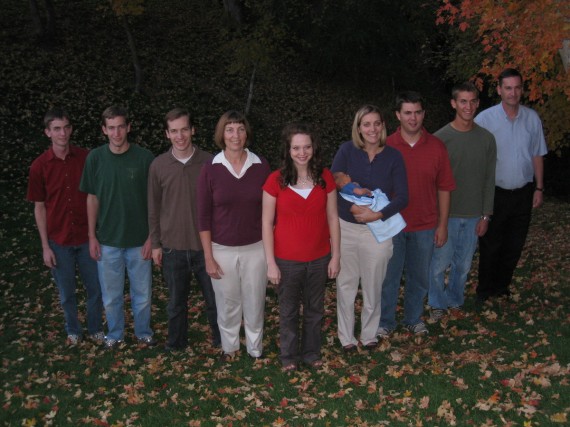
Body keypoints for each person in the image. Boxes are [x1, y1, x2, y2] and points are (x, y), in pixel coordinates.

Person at [262, 123, 340, 372]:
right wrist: (271, 263)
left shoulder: (325, 177)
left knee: (315, 310)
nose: (302, 152)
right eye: (296, 147)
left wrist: (335, 256)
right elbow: (266, 222)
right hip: (286, 260)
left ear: (313, 148)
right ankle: (288, 357)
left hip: (318, 258)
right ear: (288, 149)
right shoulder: (275, 180)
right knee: (288, 311)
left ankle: (311, 353)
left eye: (306, 147)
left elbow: (332, 219)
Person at [331, 105, 408, 352]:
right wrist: (353, 206)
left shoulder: (394, 156)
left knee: (374, 285)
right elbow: (332, 184)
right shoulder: (346, 151)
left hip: (378, 230)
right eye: (366, 124)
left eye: (376, 123)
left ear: (383, 126)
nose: (372, 129)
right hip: (347, 228)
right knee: (346, 284)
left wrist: (378, 214)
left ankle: (369, 334)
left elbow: (403, 197)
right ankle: (346, 338)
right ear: (359, 128)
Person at [379, 91, 455, 337]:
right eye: (408, 113)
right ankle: (385, 323)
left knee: (419, 278)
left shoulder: (436, 147)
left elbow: (444, 187)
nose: (413, 118)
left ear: (424, 114)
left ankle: (413, 318)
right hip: (392, 226)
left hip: (424, 225)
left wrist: (442, 225)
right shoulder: (385, 146)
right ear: (398, 115)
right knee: (388, 278)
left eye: (418, 112)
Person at [80, 105, 156, 349]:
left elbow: (155, 201)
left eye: (121, 126)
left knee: (142, 295)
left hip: (139, 240)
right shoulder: (95, 158)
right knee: (111, 297)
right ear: (104, 130)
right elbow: (91, 198)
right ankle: (115, 335)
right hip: (108, 240)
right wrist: (92, 236)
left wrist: (151, 238)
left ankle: (143, 333)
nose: (116, 132)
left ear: (128, 127)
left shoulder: (145, 158)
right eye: (111, 128)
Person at [198, 110, 271, 361]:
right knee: (228, 304)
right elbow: (203, 217)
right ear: (222, 134)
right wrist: (208, 257)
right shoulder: (211, 168)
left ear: (246, 133)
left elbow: (270, 212)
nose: (235, 134)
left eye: (240, 128)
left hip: (256, 247)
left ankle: (255, 348)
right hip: (222, 249)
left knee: (254, 301)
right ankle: (229, 349)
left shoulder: (261, 166)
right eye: (229, 129)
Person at [27, 108, 103, 345]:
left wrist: (96, 234)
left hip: (86, 236)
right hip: (58, 240)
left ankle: (95, 328)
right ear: (47, 132)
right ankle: (73, 330)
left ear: (71, 129)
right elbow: (39, 207)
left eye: (66, 127)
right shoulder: (39, 166)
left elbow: (97, 195)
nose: (63, 133)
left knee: (95, 288)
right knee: (66, 292)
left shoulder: (86, 158)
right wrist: (45, 247)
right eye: (57, 129)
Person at [148, 108, 221, 352]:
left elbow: (219, 205)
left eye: (184, 130)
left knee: (214, 300)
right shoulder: (158, 165)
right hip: (172, 248)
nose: (180, 136)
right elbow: (153, 207)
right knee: (176, 303)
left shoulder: (210, 162)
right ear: (167, 134)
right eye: (174, 131)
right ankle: (176, 344)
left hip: (206, 248)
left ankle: (222, 341)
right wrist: (156, 244)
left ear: (193, 130)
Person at [474, 68, 548, 302]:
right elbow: (474, 155)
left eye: (517, 87)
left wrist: (539, 187)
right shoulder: (485, 119)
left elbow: (537, 154)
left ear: (522, 89)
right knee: (491, 244)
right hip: (495, 193)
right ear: (499, 90)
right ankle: (485, 291)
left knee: (514, 245)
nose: (513, 92)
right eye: (508, 88)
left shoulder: (532, 118)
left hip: (523, 193)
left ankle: (501, 287)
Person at [428, 83, 496, 319]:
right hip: (446, 216)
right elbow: (431, 182)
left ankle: (455, 301)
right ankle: (437, 304)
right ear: (454, 104)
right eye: (463, 101)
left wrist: (486, 215)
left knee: (463, 266)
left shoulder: (486, 139)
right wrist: (437, 219)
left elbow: (489, 179)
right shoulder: (439, 139)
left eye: (473, 101)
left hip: (474, 215)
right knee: (438, 265)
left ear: (478, 103)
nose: (468, 106)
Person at [335, 172, 407, 244]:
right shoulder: (348, 186)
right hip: (366, 202)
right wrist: (366, 190)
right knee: (380, 200)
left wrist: (356, 185)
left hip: (359, 209)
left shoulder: (347, 188)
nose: (348, 175)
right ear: (343, 183)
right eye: (345, 175)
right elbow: (359, 192)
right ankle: (392, 225)